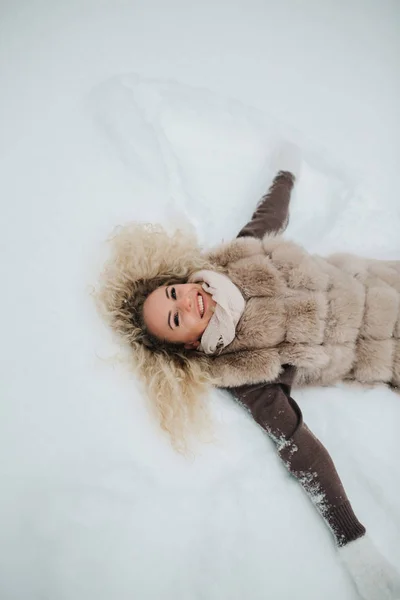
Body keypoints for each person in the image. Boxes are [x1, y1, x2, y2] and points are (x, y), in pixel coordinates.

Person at [96, 144, 400, 600]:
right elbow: (300, 449)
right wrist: (353, 541)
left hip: (383, 277)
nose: (186, 303)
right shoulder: (243, 370)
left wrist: (286, 174)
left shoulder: (233, 258)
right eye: (176, 319)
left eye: (174, 293)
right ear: (188, 345)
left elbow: (271, 217)